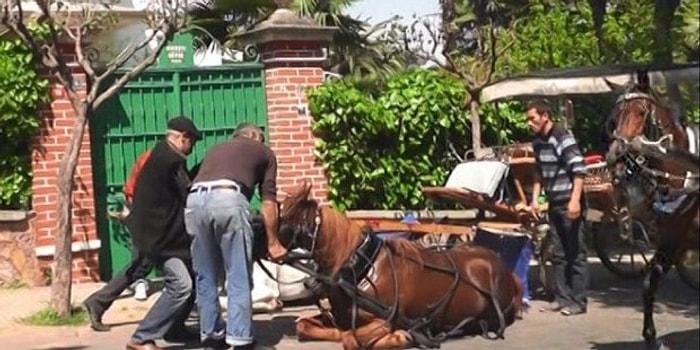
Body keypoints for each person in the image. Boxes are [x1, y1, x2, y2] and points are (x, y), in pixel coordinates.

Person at [184, 122, 288, 350]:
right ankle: (241, 341)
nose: (262, 143)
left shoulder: (216, 149)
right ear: (252, 135)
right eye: (261, 138)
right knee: (238, 273)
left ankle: (211, 337)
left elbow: (190, 179)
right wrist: (273, 242)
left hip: (194, 202)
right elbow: (269, 204)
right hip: (228, 198)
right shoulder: (265, 153)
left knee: (206, 275)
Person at [125, 116, 203, 350]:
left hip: (158, 235)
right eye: (192, 143)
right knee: (181, 285)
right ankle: (141, 337)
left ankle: (175, 327)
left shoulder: (159, 154)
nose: (191, 149)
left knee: (195, 274)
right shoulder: (171, 159)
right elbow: (188, 193)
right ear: (182, 138)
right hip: (160, 240)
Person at [526, 100, 589, 316]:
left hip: (569, 200)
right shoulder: (538, 141)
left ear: (545, 116)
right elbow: (538, 171)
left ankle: (578, 301)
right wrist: (535, 199)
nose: (529, 123)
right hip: (553, 201)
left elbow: (579, 170)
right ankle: (562, 298)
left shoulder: (562, 137)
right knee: (559, 252)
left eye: (532, 118)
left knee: (576, 252)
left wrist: (575, 200)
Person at [83, 149, 154, 333]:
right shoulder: (158, 158)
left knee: (143, 264)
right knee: (141, 263)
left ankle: (98, 302)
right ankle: (97, 301)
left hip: (139, 207)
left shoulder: (154, 155)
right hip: (142, 210)